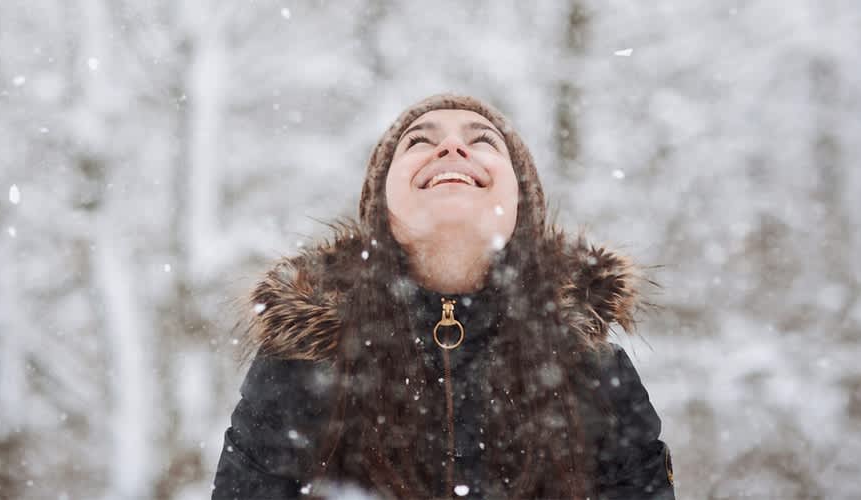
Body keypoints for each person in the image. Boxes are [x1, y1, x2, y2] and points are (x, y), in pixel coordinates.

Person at [212, 94, 674, 499]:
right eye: (418, 141)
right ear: (381, 213)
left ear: (521, 206)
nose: (451, 148)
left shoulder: (593, 369)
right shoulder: (301, 364)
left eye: (483, 141)